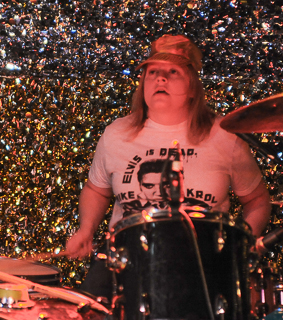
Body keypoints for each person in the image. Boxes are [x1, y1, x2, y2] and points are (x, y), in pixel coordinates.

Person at [65, 33, 271, 267]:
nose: (160, 78)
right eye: (153, 72)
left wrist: (241, 245)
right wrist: (86, 229)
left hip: (201, 265)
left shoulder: (224, 136)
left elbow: (257, 199)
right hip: (127, 262)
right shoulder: (116, 134)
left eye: (173, 72)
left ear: (193, 87)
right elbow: (97, 190)